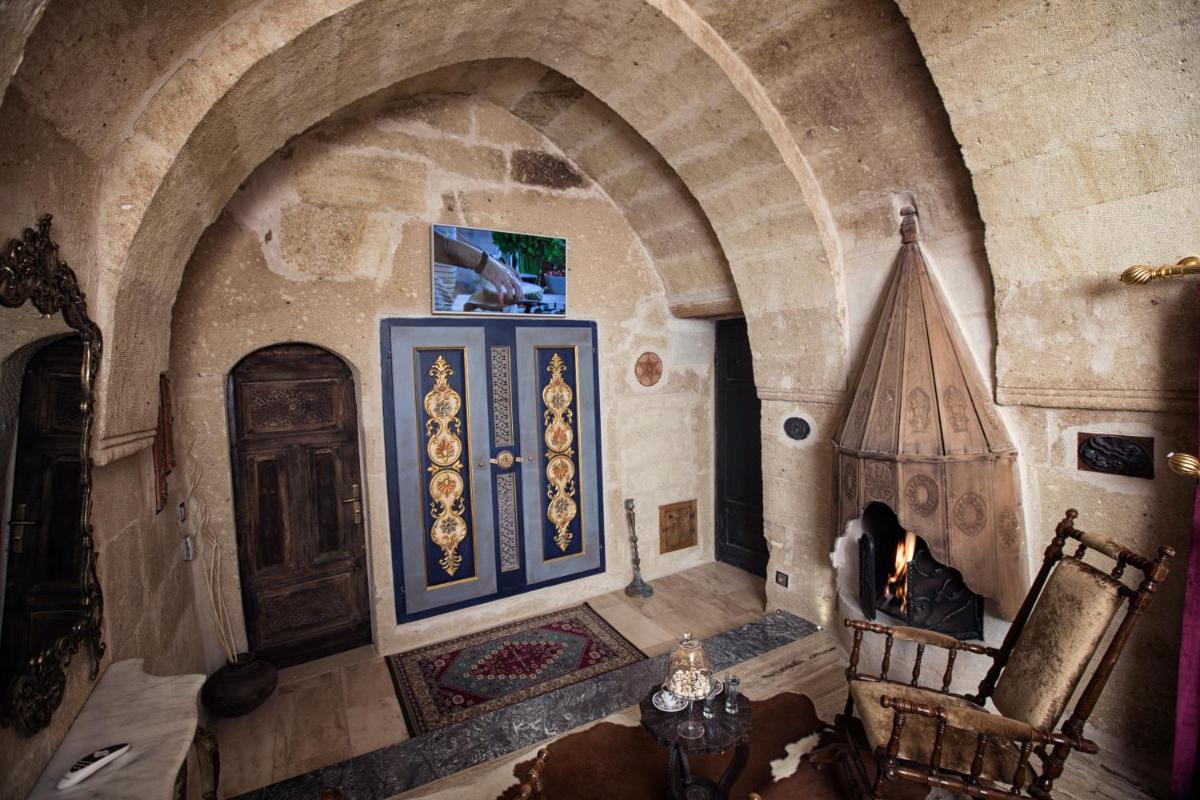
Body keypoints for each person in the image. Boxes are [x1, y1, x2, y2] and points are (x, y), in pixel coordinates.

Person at [432, 230, 523, 309]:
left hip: (444, 300)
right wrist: (485, 263)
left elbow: (449, 235)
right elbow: (430, 241)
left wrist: (492, 261)